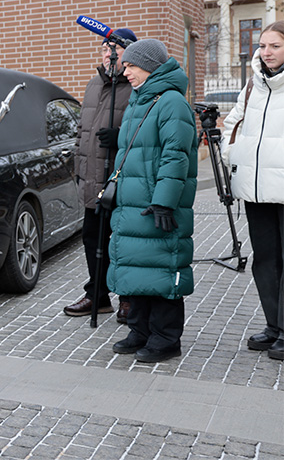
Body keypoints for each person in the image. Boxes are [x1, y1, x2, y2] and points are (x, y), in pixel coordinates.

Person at [106, 39, 198, 363]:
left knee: (162, 267)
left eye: (131, 65)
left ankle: (166, 338)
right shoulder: (139, 100)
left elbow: (176, 156)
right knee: (136, 268)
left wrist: (164, 202)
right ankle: (140, 330)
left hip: (157, 206)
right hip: (133, 204)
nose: (124, 70)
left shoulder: (171, 102)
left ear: (149, 65)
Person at [64, 28, 136, 322]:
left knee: (123, 240)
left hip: (122, 179)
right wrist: (80, 172)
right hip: (93, 179)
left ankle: (129, 297)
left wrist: (120, 136)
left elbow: (144, 132)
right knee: (92, 238)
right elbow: (83, 133)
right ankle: (98, 294)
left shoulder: (136, 85)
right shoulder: (93, 84)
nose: (108, 55)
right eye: (105, 49)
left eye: (114, 50)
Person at [222, 21, 284, 361]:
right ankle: (274, 325)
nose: (266, 52)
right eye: (263, 46)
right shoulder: (253, 85)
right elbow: (233, 124)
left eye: (274, 46)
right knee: (266, 261)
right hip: (256, 188)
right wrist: (234, 159)